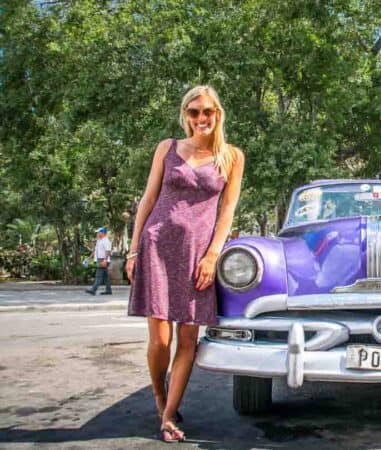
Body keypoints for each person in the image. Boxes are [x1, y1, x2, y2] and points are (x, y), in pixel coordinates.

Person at [126, 86, 245, 443]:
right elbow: (149, 199)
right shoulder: (167, 148)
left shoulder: (231, 157)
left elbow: (227, 211)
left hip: (197, 254)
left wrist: (213, 254)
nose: (200, 118)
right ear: (185, 115)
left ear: (218, 114)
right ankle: (161, 397)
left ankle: (168, 415)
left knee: (188, 337)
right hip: (157, 247)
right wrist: (133, 250)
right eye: (193, 112)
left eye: (207, 111)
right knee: (160, 341)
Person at [85, 227, 113, 295]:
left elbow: (108, 251)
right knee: (105, 277)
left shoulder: (106, 241)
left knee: (98, 276)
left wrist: (105, 260)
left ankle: (93, 290)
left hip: (103, 259)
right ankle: (108, 291)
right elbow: (95, 250)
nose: (97, 233)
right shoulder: (99, 240)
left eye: (98, 232)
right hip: (99, 259)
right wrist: (89, 258)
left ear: (102, 233)